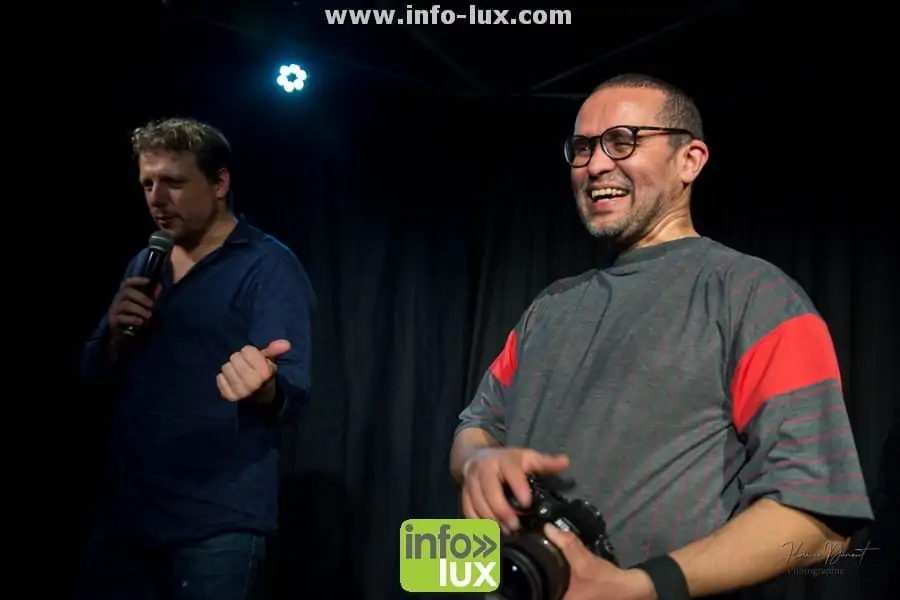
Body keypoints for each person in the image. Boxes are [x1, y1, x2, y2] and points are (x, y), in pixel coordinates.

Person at [450, 74, 873, 600]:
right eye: (582, 148)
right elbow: (475, 428)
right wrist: (479, 461)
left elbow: (820, 523)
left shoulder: (757, 298)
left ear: (689, 160)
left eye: (622, 140)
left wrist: (642, 586)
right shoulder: (549, 307)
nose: (595, 165)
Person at [77, 117, 316, 600]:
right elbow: (91, 374)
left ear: (220, 182)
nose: (157, 199)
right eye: (147, 184)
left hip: (214, 524)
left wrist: (264, 386)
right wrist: (115, 340)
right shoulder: (146, 262)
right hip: (126, 519)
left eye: (174, 182)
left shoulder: (267, 265)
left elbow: (292, 391)